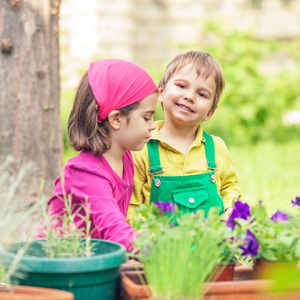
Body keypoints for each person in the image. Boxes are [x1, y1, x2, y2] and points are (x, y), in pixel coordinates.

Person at [45, 59, 157, 251]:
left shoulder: (125, 158)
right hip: (59, 263)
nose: (153, 125)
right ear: (116, 119)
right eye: (147, 117)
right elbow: (116, 234)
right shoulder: (88, 173)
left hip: (93, 257)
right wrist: (167, 245)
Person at [126, 51, 242, 224]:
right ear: (161, 93)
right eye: (181, 86)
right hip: (160, 246)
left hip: (211, 245)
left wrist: (230, 211)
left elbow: (229, 187)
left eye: (202, 94)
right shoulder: (141, 148)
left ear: (210, 113)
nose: (189, 96)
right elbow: (130, 207)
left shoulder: (215, 147)